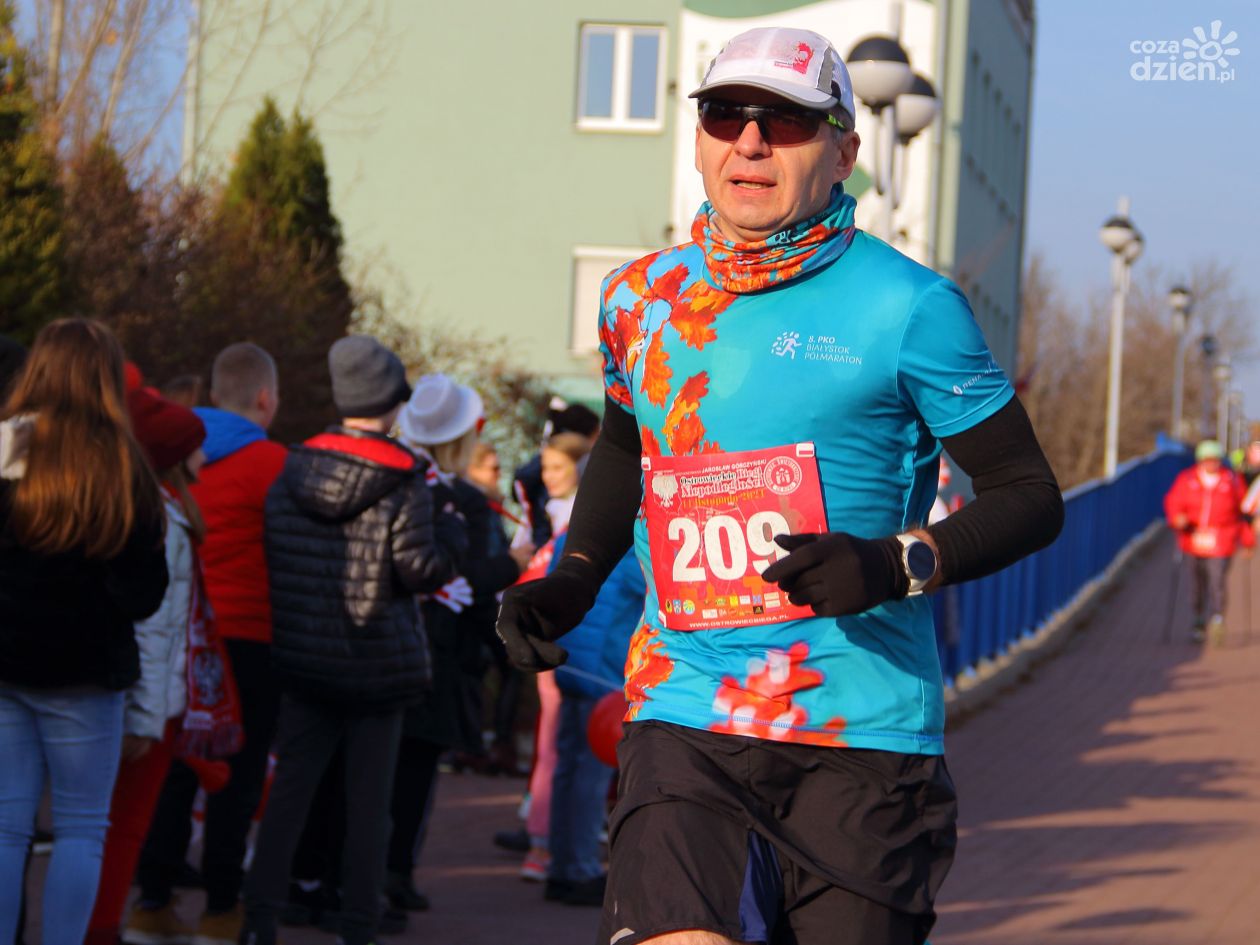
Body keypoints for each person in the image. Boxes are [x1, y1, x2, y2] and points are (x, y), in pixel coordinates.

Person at [496, 27, 1063, 945]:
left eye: (786, 121)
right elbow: (624, 447)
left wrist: (892, 564)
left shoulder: (912, 307)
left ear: (843, 151)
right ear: (699, 139)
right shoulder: (640, 299)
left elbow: (1028, 493)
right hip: (685, 704)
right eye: (726, 115)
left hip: (859, 726)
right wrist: (575, 577)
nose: (751, 142)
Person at [239, 335, 465, 945]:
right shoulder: (405, 479)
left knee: (289, 793)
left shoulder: (291, 468)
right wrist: (452, 535)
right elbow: (421, 570)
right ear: (392, 402)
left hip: (303, 656)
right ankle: (358, 927)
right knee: (370, 806)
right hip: (379, 663)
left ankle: (258, 920)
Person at [0, 319, 168, 945]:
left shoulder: (8, 445)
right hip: (86, 671)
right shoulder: (119, 461)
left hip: (7, 659)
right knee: (80, 828)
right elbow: (144, 592)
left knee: (6, 828)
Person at [131, 343, 288, 944]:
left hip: (181, 632)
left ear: (213, 395)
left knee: (173, 770)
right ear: (266, 398)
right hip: (251, 638)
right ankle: (222, 912)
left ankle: (151, 903)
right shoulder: (274, 463)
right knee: (237, 779)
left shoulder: (170, 452)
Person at [88, 384, 243, 945]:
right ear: (173, 456)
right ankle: (98, 929)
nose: (206, 454)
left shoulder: (152, 508)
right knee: (121, 828)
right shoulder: (166, 519)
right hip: (150, 704)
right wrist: (149, 717)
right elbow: (156, 629)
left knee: (110, 826)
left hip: (146, 698)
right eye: (196, 445)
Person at [387, 374, 533, 911]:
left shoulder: (398, 481)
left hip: (392, 645)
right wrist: (511, 565)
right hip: (433, 653)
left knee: (388, 771)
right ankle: (391, 875)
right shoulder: (456, 501)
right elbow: (462, 580)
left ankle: (371, 875)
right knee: (411, 774)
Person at [545, 531, 644, 907]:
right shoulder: (630, 543)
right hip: (603, 671)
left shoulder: (572, 533)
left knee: (569, 770)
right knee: (590, 775)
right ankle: (579, 868)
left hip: (573, 663)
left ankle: (561, 864)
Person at [466, 441, 531, 776]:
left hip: (484, 604)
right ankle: (490, 746)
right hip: (475, 607)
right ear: (472, 470)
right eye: (492, 469)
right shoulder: (475, 506)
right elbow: (480, 566)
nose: (497, 475)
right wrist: (513, 563)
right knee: (504, 665)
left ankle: (480, 745)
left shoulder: (488, 506)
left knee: (487, 671)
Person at [1165, 439, 1253, 645]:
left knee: (1217, 579)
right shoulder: (1186, 479)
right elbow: (1173, 502)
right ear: (1200, 461)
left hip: (1222, 539)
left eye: (1215, 460)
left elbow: (1243, 512)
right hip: (1193, 538)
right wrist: (1177, 518)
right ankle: (1198, 618)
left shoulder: (1231, 480)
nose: (1211, 464)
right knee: (1196, 583)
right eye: (1207, 460)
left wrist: (1248, 541)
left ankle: (1217, 618)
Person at [513, 400, 600, 548]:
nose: (547, 477)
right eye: (545, 468)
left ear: (581, 466)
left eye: (557, 468)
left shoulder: (583, 518)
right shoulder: (554, 509)